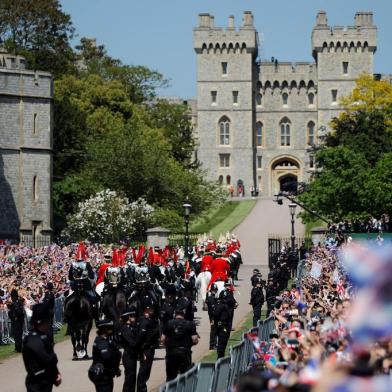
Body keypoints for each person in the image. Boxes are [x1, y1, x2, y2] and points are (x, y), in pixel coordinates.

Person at [22, 302, 62, 392]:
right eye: (48, 320)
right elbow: (48, 359)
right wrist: (54, 359)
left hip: (45, 381)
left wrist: (56, 373)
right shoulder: (33, 339)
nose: (49, 323)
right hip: (37, 383)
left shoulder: (43, 336)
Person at [161, 307, 199, 381]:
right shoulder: (190, 324)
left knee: (171, 377)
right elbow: (194, 340)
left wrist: (167, 345)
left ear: (175, 314)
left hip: (171, 352)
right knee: (185, 377)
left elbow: (162, 339)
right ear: (183, 314)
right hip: (184, 352)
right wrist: (191, 343)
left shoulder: (169, 323)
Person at [90, 319, 121, 392]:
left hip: (107, 374)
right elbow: (107, 358)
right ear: (105, 329)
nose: (112, 329)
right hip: (103, 375)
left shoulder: (107, 340)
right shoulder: (101, 342)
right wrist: (115, 368)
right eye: (110, 328)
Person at [137, 306, 160, 392]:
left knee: (147, 371)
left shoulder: (151, 320)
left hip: (150, 348)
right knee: (144, 371)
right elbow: (141, 337)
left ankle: (142, 388)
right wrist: (142, 351)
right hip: (145, 349)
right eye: (151, 309)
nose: (152, 310)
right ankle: (141, 389)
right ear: (146, 310)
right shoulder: (144, 321)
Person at [118, 309, 140, 392]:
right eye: (132, 316)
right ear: (128, 317)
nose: (134, 317)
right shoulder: (126, 329)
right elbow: (132, 343)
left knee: (132, 378)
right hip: (128, 356)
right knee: (129, 379)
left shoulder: (131, 327)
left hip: (132, 355)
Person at [214, 290, 232, 358]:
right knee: (221, 344)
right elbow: (216, 315)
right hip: (222, 327)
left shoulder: (226, 306)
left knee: (224, 343)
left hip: (226, 326)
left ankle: (221, 357)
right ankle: (219, 358)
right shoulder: (220, 306)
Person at [206, 283, 218, 349]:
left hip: (213, 316)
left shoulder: (212, 298)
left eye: (215, 290)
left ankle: (214, 344)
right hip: (212, 317)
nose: (215, 291)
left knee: (215, 330)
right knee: (213, 330)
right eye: (214, 290)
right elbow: (212, 310)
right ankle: (212, 345)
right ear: (211, 290)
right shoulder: (211, 298)